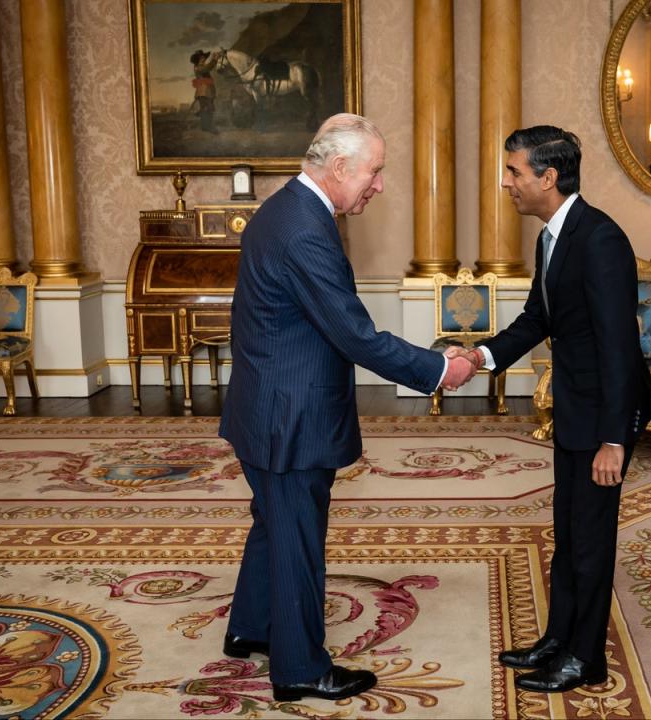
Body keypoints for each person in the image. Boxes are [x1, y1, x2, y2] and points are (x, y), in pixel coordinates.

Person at [218, 113, 476, 702]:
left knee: (273, 522)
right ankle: (302, 669)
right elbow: (356, 335)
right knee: (296, 538)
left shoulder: (284, 207)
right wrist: (440, 369)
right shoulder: (306, 229)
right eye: (375, 172)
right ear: (338, 168)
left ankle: (252, 628)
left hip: (266, 403)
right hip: (290, 416)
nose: (379, 185)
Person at [449, 125, 651, 693]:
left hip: (603, 419)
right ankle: (558, 640)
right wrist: (483, 354)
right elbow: (539, 319)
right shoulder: (552, 236)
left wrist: (615, 438)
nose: (506, 182)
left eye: (514, 171)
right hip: (576, 409)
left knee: (590, 541)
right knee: (568, 533)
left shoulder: (600, 240)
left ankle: (585, 658)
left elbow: (619, 344)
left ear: (548, 176)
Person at [190, 49, 219, 133]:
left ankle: (205, 127)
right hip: (204, 91)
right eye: (201, 57)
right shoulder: (198, 67)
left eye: (203, 57)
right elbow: (207, 68)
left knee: (206, 108)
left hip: (207, 90)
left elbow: (207, 68)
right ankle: (209, 127)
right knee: (207, 108)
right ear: (198, 59)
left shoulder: (201, 66)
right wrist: (215, 59)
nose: (203, 59)